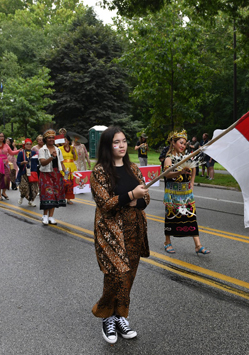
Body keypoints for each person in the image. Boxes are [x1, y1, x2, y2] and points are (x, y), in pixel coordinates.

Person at [90, 126, 150, 344]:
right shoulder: (99, 172)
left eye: (124, 141)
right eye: (116, 142)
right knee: (117, 274)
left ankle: (120, 316)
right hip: (111, 232)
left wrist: (136, 199)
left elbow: (146, 198)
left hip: (134, 230)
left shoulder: (133, 168)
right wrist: (131, 195)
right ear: (108, 146)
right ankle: (106, 315)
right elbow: (105, 204)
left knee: (129, 275)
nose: (122, 145)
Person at [163, 129, 210, 255]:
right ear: (173, 143)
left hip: (186, 193)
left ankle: (198, 245)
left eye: (184, 143)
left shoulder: (186, 157)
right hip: (173, 193)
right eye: (181, 143)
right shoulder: (169, 158)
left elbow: (193, 167)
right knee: (171, 219)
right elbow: (167, 174)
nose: (183, 146)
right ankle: (167, 242)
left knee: (191, 218)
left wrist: (192, 183)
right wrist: (180, 172)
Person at [38, 129, 66, 225]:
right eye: (49, 138)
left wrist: (65, 171)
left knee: (54, 195)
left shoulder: (58, 149)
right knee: (47, 194)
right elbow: (42, 163)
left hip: (56, 173)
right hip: (46, 174)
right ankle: (45, 215)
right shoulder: (42, 150)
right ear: (45, 139)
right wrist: (51, 157)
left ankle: (51, 216)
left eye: (52, 138)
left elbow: (61, 162)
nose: (51, 139)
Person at [16, 138, 39, 206]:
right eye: (27, 144)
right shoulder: (21, 153)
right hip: (24, 173)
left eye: (30, 144)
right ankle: (22, 196)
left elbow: (37, 162)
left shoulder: (34, 153)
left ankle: (31, 201)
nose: (29, 145)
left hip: (32, 173)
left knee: (34, 188)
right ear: (24, 145)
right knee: (24, 188)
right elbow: (18, 162)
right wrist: (22, 163)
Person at [58, 135, 77, 205]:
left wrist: (73, 152)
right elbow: (59, 159)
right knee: (64, 183)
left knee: (70, 184)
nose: (64, 142)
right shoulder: (59, 148)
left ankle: (68, 199)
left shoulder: (72, 148)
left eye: (65, 140)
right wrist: (64, 169)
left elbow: (75, 158)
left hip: (72, 167)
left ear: (69, 141)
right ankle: (61, 198)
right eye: (63, 140)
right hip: (64, 167)